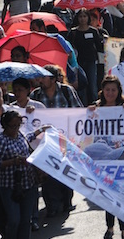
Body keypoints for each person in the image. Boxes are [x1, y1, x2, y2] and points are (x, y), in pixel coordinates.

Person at [30, 65, 82, 216]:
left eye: (44, 77)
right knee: (48, 173)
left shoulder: (67, 91)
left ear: (53, 79)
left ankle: (66, 202)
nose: (40, 80)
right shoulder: (36, 95)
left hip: (65, 140)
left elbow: (78, 111)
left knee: (65, 172)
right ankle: (52, 206)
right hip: (44, 141)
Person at [89, 75, 124, 239]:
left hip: (121, 155)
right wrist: (90, 112)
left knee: (121, 195)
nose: (110, 92)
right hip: (103, 157)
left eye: (113, 90)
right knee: (108, 195)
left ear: (118, 91)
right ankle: (110, 228)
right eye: (107, 89)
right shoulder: (96, 108)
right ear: (102, 90)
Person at [0, 110, 44, 239]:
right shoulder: (1, 141)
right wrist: (13, 161)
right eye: (12, 126)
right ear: (5, 125)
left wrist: (41, 130)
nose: (15, 129)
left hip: (28, 183)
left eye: (17, 125)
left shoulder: (20, 135)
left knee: (26, 220)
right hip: (9, 186)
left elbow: (28, 137)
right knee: (14, 220)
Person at [67, 8, 103, 103]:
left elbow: (99, 47)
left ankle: (95, 103)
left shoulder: (94, 31)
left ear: (88, 18)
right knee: (81, 86)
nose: (82, 19)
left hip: (91, 61)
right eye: (80, 16)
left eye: (85, 16)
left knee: (92, 85)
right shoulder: (73, 32)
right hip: (78, 63)